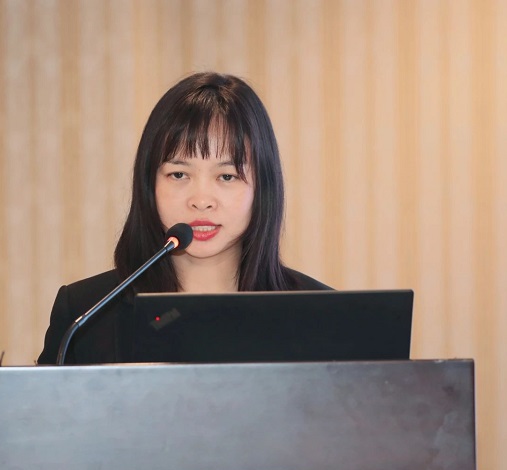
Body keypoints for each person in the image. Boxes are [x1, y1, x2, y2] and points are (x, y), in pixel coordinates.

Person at [37, 72, 330, 365]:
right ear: (148, 183)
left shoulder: (321, 314)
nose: (201, 200)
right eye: (179, 174)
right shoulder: (86, 314)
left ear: (262, 188)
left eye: (226, 176)